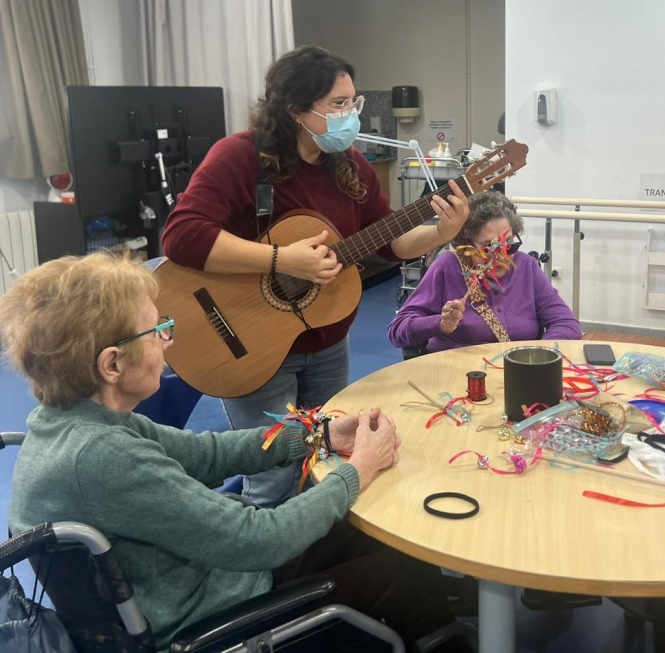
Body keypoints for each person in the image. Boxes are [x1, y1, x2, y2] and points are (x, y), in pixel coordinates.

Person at [0, 253, 459, 651]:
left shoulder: (77, 421)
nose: (168, 339)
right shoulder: (104, 458)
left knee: (369, 534)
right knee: (408, 575)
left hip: (203, 580)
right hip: (218, 614)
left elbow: (207, 454)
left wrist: (317, 435)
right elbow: (260, 539)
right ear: (112, 363)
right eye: (157, 330)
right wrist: (358, 468)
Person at [162, 45, 468, 506]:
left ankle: (318, 547)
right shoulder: (241, 157)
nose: (351, 115)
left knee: (326, 457)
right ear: (295, 110)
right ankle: (262, 551)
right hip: (249, 343)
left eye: (353, 102)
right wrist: (280, 260)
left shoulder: (350, 166)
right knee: (273, 478)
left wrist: (441, 232)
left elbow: (388, 241)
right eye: (338, 104)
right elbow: (182, 235)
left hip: (327, 341)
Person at [387, 190, 582, 353]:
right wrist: (440, 323)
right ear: (466, 244)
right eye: (488, 247)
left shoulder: (526, 266)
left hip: (516, 371)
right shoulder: (447, 266)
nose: (501, 256)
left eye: (509, 244)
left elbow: (566, 323)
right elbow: (397, 330)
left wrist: (539, 355)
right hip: (457, 371)